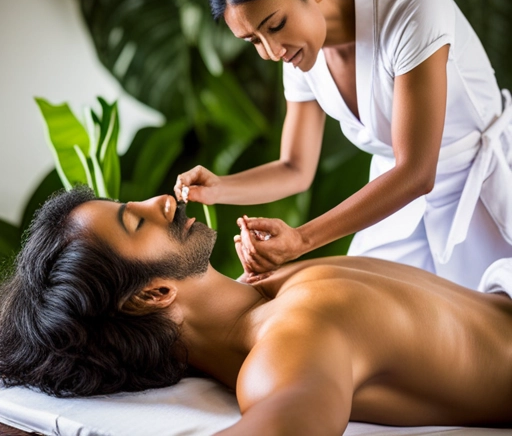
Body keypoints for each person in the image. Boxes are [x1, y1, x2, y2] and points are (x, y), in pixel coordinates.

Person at [1, 187, 511, 436]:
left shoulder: (266, 292)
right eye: (137, 223)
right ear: (153, 295)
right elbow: (288, 420)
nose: (160, 200)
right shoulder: (289, 344)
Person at [174, 0, 512, 289]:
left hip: (480, 194)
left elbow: (416, 172)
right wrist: (219, 188)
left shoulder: (413, 10)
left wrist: (301, 240)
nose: (272, 52)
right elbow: (295, 167)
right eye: (253, 40)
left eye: (274, 26)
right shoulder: (301, 54)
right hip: (397, 211)